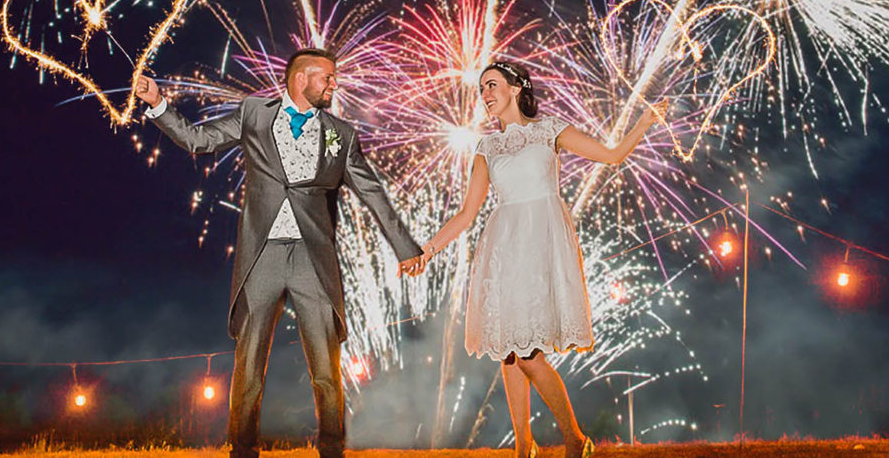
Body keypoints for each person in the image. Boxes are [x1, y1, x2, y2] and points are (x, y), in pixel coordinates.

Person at [134, 48, 424, 458]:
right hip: (262, 254)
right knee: (249, 360)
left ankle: (331, 448)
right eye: (328, 78)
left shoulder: (342, 133)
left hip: (313, 257)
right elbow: (198, 140)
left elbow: (372, 192)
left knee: (326, 364)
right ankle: (243, 449)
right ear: (302, 78)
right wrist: (158, 104)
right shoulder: (254, 112)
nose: (334, 85)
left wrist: (404, 247)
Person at [415, 61, 667, 458]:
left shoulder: (548, 130)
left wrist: (645, 121)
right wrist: (427, 249)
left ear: (516, 88)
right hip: (503, 248)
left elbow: (612, 155)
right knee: (510, 352)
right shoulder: (487, 147)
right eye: (482, 89)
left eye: (493, 85)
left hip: (542, 243)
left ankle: (575, 439)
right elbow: (467, 213)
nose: (485, 94)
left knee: (530, 355)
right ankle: (523, 448)